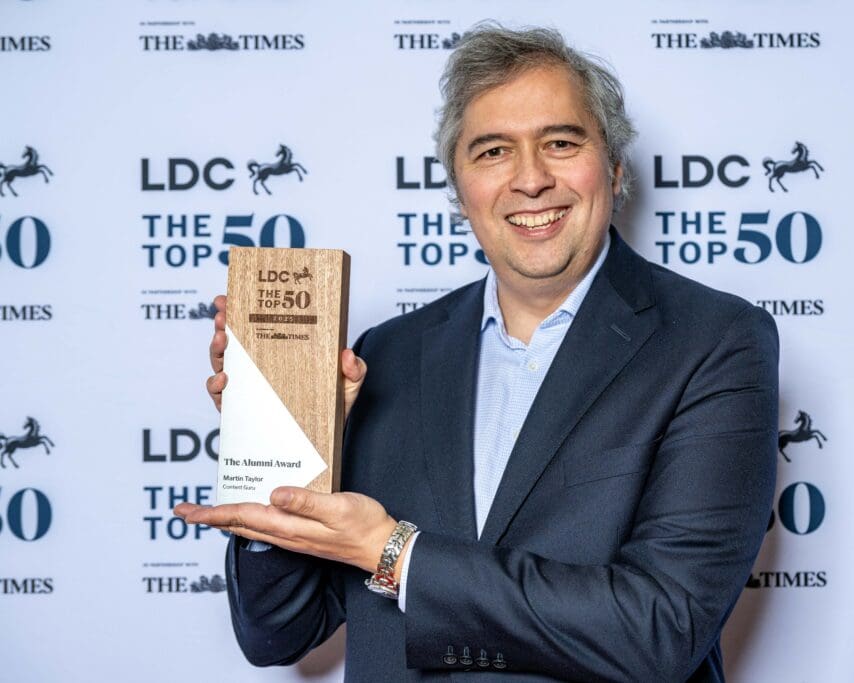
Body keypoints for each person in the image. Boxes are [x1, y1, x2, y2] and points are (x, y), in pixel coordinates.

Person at [175, 25, 778, 682]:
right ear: (460, 191)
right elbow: (277, 633)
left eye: (561, 142)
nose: (530, 179)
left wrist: (395, 553)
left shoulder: (714, 341)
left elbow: (663, 626)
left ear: (614, 165)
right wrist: (276, 446)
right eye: (493, 151)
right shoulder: (389, 355)